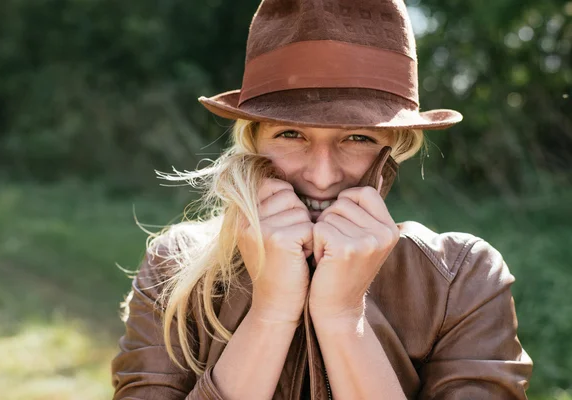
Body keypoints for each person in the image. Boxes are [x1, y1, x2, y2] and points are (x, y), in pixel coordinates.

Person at [111, 0, 533, 398]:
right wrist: (270, 312)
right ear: (253, 141)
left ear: (394, 150)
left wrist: (344, 316)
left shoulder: (461, 278)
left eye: (358, 137)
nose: (322, 175)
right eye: (291, 134)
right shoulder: (176, 268)